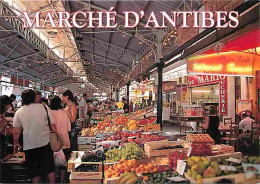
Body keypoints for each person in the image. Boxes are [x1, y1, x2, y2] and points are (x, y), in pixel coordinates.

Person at [13, 89, 57, 183]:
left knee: (34, 171)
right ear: (34, 97)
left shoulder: (19, 112)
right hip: (45, 142)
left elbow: (16, 131)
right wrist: (57, 137)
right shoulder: (45, 108)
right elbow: (53, 125)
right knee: (49, 168)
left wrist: (16, 143)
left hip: (30, 145)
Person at [50, 96, 71, 183]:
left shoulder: (49, 113)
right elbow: (68, 128)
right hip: (64, 140)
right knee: (63, 161)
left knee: (52, 161)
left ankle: (54, 179)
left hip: (52, 141)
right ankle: (62, 180)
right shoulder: (64, 113)